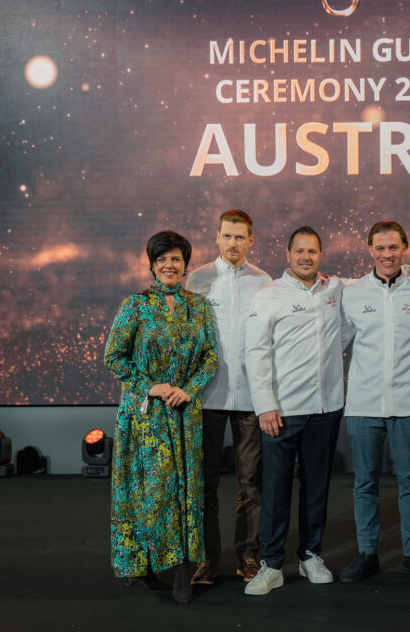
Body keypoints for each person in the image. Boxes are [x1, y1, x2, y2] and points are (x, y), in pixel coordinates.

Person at [103, 230, 218, 604]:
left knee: (186, 491)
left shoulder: (198, 306)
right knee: (151, 492)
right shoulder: (135, 305)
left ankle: (182, 568)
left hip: (184, 414)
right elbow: (113, 356)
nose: (170, 265)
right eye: (162, 259)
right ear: (152, 265)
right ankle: (144, 563)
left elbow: (210, 356)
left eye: (176, 260)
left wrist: (190, 389)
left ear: (185, 266)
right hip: (145, 416)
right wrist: (150, 386)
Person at [242, 226, 345, 596]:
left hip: (325, 409)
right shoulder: (269, 295)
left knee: (316, 487)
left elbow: (375, 280)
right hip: (281, 413)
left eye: (313, 251)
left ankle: (310, 555)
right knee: (275, 490)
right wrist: (265, 405)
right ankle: (271, 564)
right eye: (299, 251)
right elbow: (255, 353)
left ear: (321, 255)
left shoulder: (335, 288)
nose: (306, 257)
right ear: (288, 255)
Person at [338, 222, 410, 584]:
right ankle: (367, 553)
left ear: (405, 247)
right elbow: (336, 346)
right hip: (363, 405)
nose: (387, 254)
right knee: (364, 483)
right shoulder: (352, 293)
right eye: (380, 248)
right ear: (369, 249)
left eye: (394, 248)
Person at [185, 210, 271, 584]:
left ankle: (248, 556)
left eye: (240, 237)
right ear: (216, 237)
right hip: (207, 398)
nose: (233, 243)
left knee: (251, 482)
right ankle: (206, 559)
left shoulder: (264, 281)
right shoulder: (198, 279)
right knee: (204, 484)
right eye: (227, 236)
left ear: (251, 241)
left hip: (252, 399)